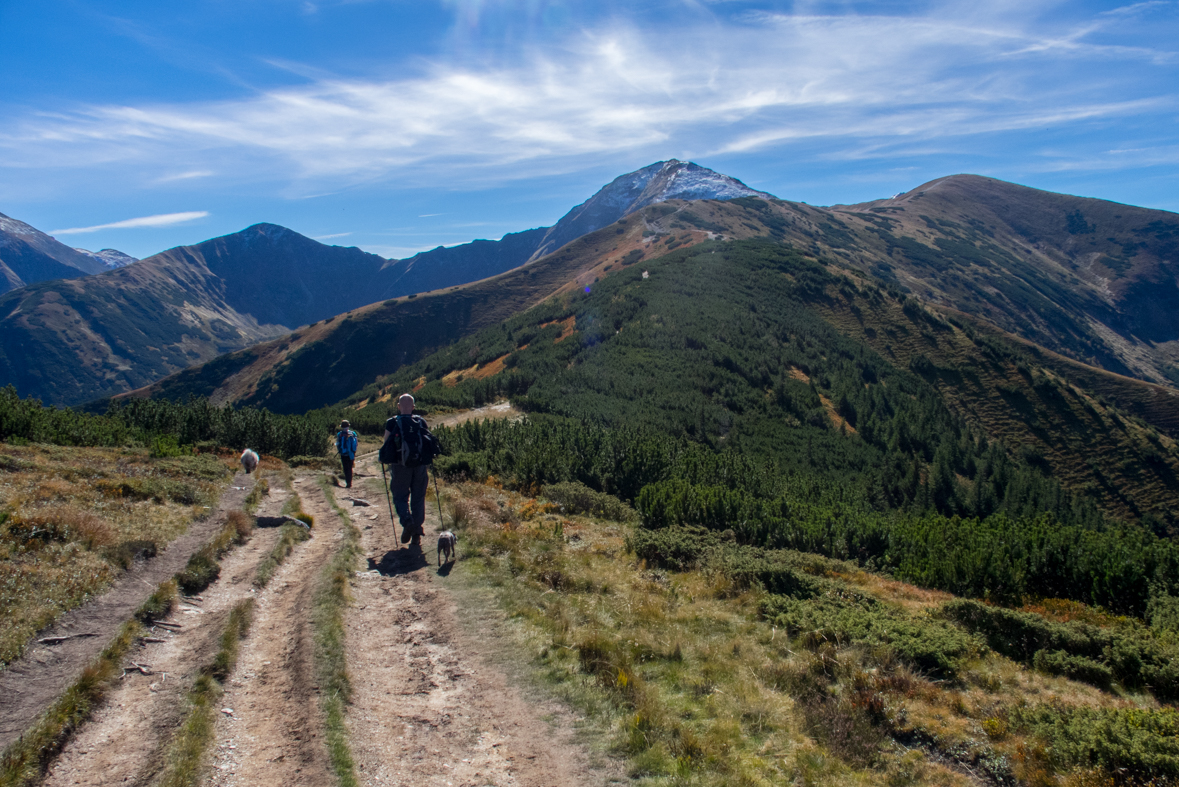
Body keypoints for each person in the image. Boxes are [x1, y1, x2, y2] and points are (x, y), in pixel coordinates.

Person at [382, 394, 438, 547]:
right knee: (418, 498)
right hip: (420, 466)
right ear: (413, 407)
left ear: (398, 406)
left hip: (400, 466)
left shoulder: (392, 423)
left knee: (400, 496)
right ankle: (417, 533)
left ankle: (407, 522)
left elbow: (386, 444)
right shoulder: (421, 422)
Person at [335, 419, 358, 488]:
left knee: (345, 468)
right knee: (350, 468)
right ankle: (349, 482)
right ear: (348, 426)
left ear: (342, 426)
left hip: (343, 454)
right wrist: (354, 451)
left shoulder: (340, 434)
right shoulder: (353, 433)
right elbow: (356, 444)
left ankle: (347, 482)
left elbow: (338, 444)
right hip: (351, 453)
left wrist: (340, 450)